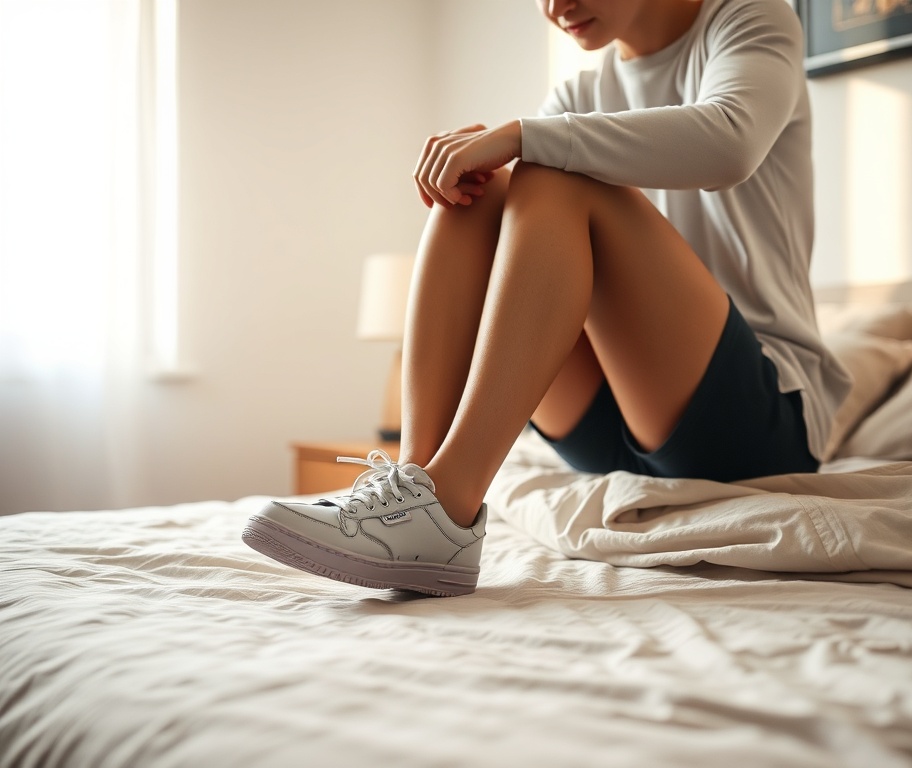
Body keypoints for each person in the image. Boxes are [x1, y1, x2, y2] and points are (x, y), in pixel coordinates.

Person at [242, 0, 851, 597]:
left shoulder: (750, 18)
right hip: (606, 433)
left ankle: (449, 504)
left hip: (758, 426)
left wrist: (520, 135)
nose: (556, 5)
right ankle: (416, 493)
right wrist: (495, 158)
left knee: (550, 168)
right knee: (482, 192)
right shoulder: (582, 91)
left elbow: (730, 144)